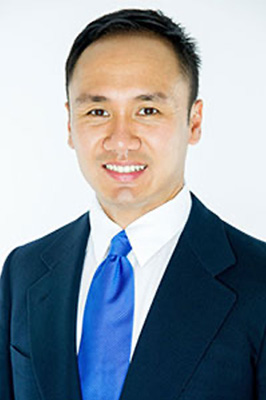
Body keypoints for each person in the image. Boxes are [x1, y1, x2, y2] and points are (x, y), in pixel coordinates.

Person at [0, 8, 266, 400]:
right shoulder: (24, 270)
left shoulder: (258, 281)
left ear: (194, 121)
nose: (120, 140)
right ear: (70, 125)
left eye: (147, 110)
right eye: (97, 111)